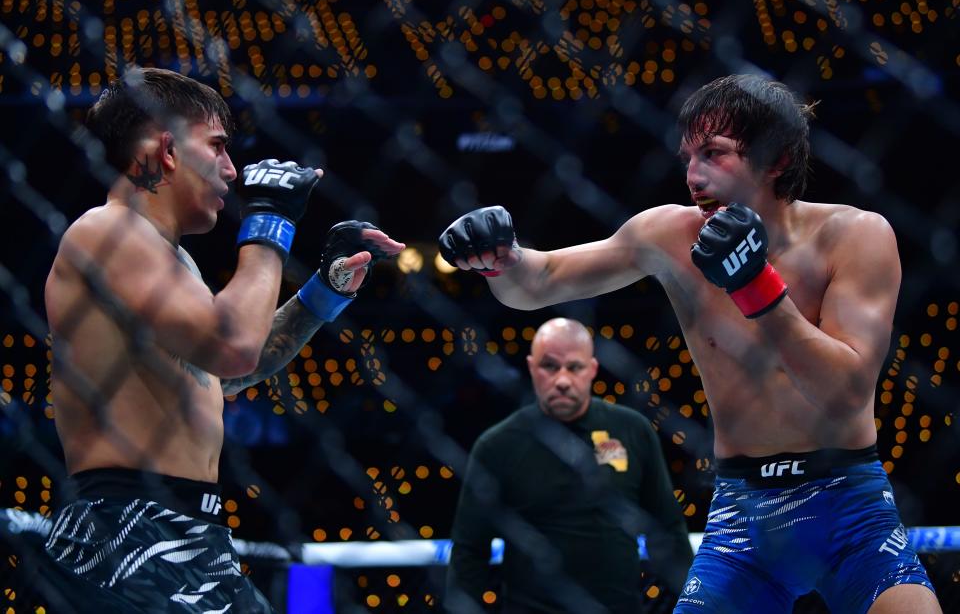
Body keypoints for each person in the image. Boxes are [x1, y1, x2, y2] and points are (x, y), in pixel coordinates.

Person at [439, 74, 940, 614]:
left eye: (714, 154)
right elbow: (540, 281)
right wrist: (502, 257)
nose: (694, 177)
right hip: (742, 513)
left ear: (775, 159)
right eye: (687, 158)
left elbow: (844, 390)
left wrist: (757, 289)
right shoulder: (669, 237)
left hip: (849, 503)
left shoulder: (855, 236)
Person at [42, 67, 404, 612]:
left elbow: (228, 372)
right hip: (128, 528)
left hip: (183, 526)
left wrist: (322, 293)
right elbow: (230, 345)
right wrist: (269, 222)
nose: (233, 171)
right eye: (217, 147)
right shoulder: (107, 231)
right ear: (167, 150)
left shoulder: (169, 259)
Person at [446, 318, 694, 614]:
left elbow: (667, 529)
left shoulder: (631, 430)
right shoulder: (498, 445)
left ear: (592, 369)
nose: (562, 380)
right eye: (550, 366)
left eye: (574, 367)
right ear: (531, 367)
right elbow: (469, 550)